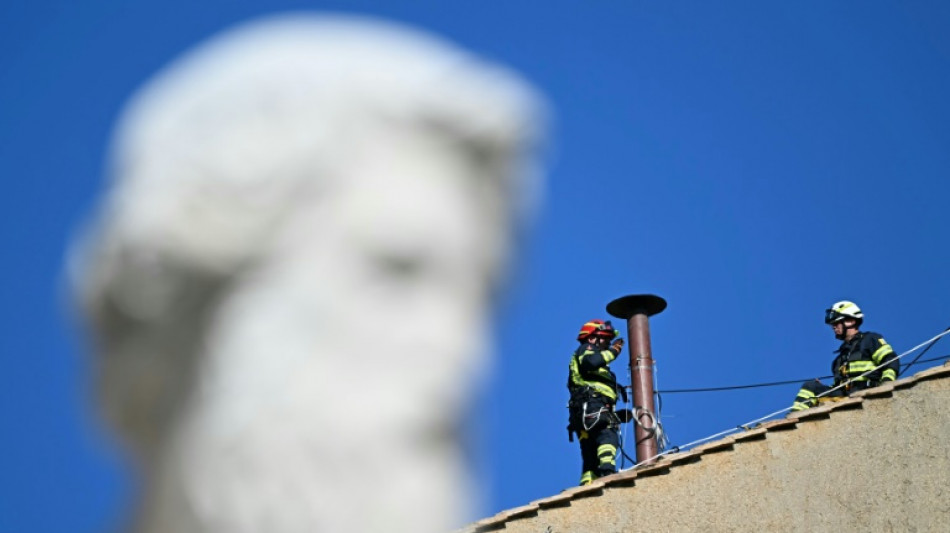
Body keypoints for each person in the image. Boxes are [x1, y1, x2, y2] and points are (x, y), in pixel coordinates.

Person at [791, 301, 898, 412]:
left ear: (851, 321)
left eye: (836, 323)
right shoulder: (840, 359)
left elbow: (890, 360)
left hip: (865, 390)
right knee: (811, 387)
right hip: (845, 395)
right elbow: (839, 385)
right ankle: (795, 419)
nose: (833, 327)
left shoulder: (870, 339)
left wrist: (886, 384)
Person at [566, 319, 627, 485]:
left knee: (590, 455)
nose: (608, 343)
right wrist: (613, 352)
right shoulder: (587, 349)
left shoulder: (592, 361)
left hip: (585, 413)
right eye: (605, 338)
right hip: (592, 407)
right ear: (592, 338)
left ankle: (588, 488)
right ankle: (608, 475)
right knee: (608, 435)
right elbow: (591, 362)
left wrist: (617, 415)